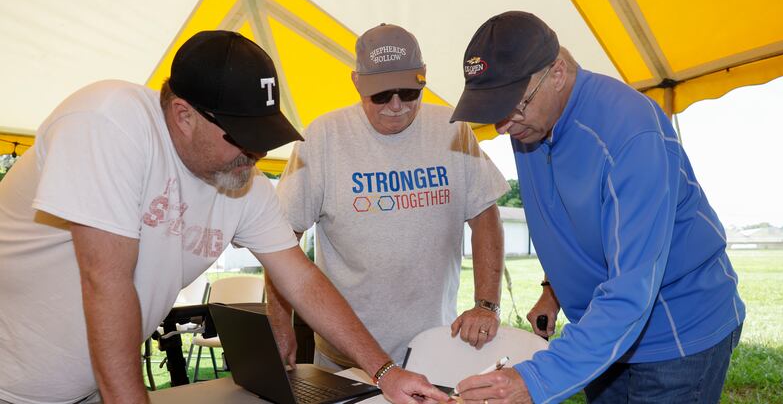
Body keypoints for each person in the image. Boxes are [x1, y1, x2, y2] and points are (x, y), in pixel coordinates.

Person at [0, 30, 448, 404]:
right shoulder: (108, 122)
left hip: (97, 386)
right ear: (183, 115)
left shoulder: (241, 178)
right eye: (244, 137)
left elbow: (302, 280)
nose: (256, 154)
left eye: (264, 136)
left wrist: (385, 371)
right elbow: (106, 281)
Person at [449, 11, 745, 403]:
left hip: (674, 334)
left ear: (556, 73)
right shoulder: (530, 122)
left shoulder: (629, 131)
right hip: (601, 332)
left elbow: (631, 287)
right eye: (494, 110)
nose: (503, 126)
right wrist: (552, 291)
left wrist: (536, 380)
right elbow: (574, 222)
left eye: (513, 105)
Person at [268, 23, 510, 370]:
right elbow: (281, 241)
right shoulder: (324, 136)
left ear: (423, 77)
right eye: (380, 95)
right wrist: (280, 324)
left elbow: (486, 217)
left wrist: (486, 304)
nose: (396, 106)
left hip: (433, 352)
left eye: (408, 92)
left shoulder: (452, 130)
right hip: (345, 359)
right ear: (356, 82)